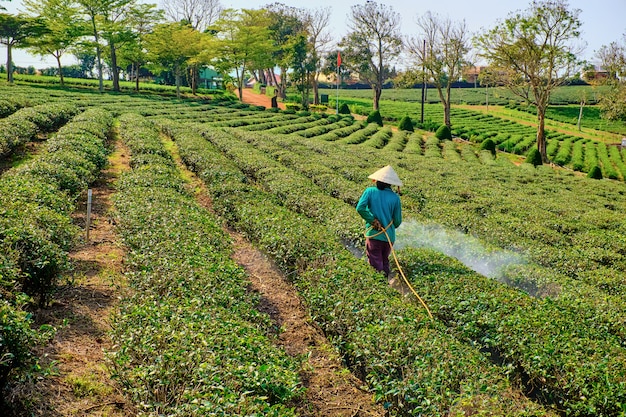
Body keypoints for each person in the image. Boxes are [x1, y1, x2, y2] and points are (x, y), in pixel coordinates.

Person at [356, 165, 402, 279]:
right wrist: (387, 225)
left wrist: (372, 220)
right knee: (384, 260)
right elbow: (397, 221)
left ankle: (379, 286)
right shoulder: (395, 198)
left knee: (375, 264)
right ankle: (386, 281)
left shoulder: (370, 191)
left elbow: (360, 208)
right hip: (389, 237)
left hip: (374, 236)